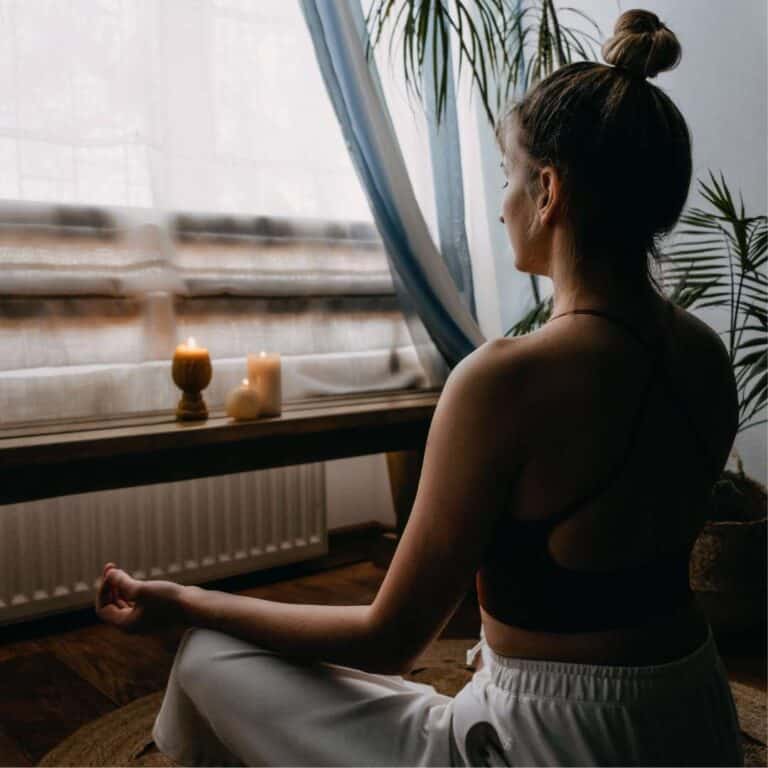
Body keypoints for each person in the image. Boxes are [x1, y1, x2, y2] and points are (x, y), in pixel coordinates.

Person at [94, 8, 745, 767]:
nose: (502, 204)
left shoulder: (506, 380)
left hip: (558, 745)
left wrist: (185, 602)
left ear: (548, 191)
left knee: (209, 655)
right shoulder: (702, 353)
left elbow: (388, 641)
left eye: (508, 176)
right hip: (695, 718)